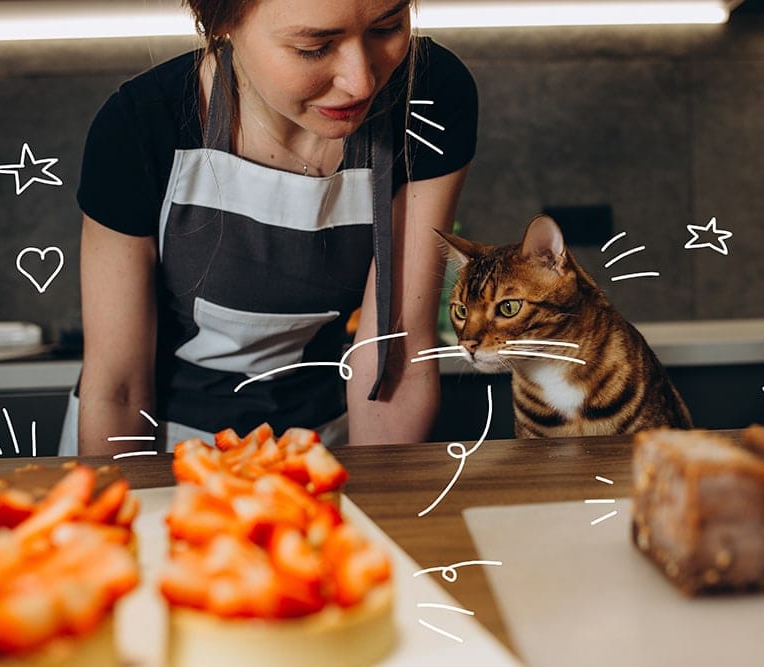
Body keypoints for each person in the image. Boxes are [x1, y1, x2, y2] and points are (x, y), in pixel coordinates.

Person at [58, 0, 477, 456]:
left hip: (322, 439)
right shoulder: (139, 126)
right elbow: (117, 388)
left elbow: (394, 355)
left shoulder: (430, 94)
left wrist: (382, 502)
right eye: (313, 47)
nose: (362, 80)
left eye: (388, 27)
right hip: (161, 444)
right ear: (222, 25)